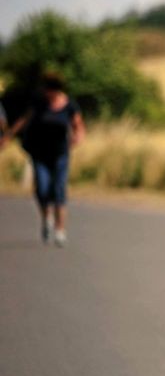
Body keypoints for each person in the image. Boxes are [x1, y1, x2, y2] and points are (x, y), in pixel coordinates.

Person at [0, 73, 86, 247]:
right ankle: (47, 217)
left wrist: (78, 137)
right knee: (43, 187)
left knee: (59, 188)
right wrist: (8, 136)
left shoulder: (69, 105)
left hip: (61, 153)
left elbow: (78, 125)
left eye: (49, 90)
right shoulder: (40, 104)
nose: (47, 94)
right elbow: (24, 120)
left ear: (56, 90)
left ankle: (60, 229)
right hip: (40, 153)